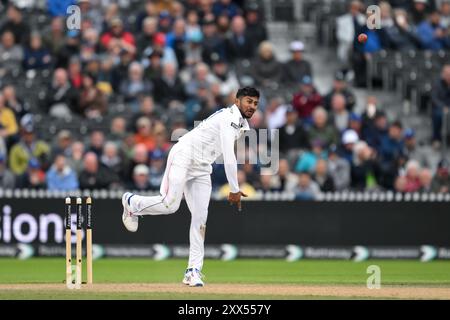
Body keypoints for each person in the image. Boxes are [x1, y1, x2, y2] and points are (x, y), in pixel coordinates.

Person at [121, 87, 260, 287]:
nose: (252, 106)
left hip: (202, 167)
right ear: (237, 101)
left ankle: (193, 271)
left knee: (200, 220)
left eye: (255, 103)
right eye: (248, 101)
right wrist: (234, 189)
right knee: (170, 205)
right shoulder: (229, 118)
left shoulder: (240, 123)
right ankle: (132, 203)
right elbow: (229, 156)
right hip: (184, 155)